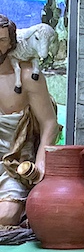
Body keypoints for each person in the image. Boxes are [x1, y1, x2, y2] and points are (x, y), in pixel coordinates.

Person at [0, 15, 60, 226]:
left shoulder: (27, 77)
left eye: (1, 40)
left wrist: (40, 165)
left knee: (6, 216)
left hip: (14, 166)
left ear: (11, 43)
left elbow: (49, 124)